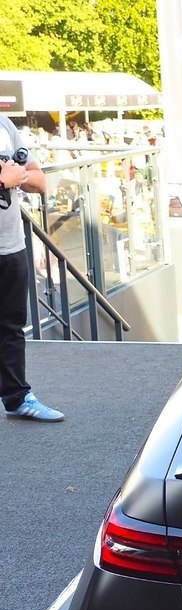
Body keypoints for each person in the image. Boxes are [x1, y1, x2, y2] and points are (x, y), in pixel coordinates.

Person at [1, 116, 64, 422]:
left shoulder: (5, 125)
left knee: (11, 327)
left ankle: (17, 398)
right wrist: (3, 180)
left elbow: (39, 181)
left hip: (11, 245)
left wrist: (16, 175)